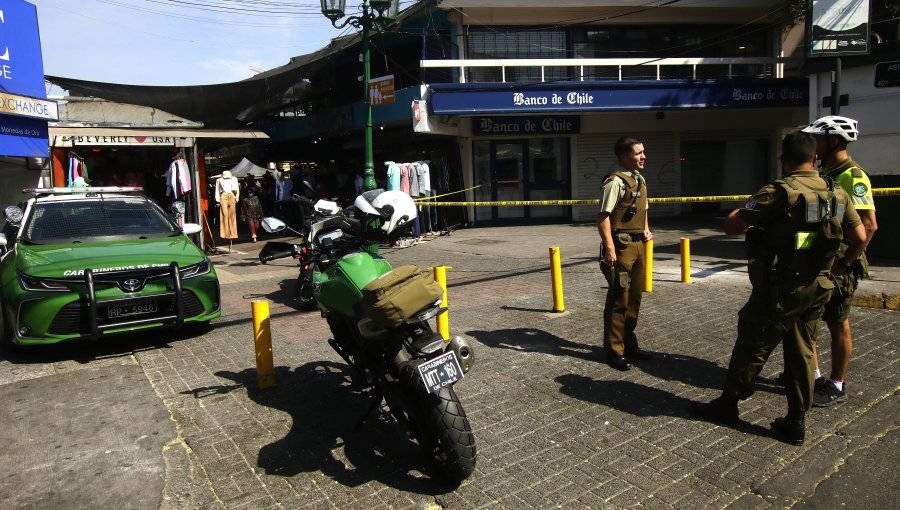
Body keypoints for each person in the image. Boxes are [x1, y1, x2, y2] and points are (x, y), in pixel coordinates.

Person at [691, 132, 866, 446]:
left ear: (783, 161)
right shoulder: (836, 191)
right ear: (814, 159)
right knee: (801, 350)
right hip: (819, 285)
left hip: (781, 288)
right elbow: (860, 235)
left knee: (752, 342)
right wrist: (843, 265)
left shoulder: (780, 191)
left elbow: (733, 225)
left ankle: (729, 403)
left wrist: (739, 212)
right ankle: (796, 421)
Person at [801, 116, 879, 407]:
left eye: (818, 139)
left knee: (837, 321)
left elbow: (869, 226)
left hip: (839, 264)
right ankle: (814, 376)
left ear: (834, 141)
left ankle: (836, 382)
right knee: (807, 318)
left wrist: (846, 262)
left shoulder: (853, 176)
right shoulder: (824, 172)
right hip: (819, 260)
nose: (814, 145)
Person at [596, 136, 654, 371]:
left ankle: (629, 344)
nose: (643, 156)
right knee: (619, 299)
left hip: (638, 244)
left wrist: (647, 229)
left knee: (635, 298)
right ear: (623, 157)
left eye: (643, 152)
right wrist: (609, 248)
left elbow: (644, 209)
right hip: (621, 247)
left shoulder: (639, 179)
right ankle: (614, 350)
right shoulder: (615, 182)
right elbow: (603, 217)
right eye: (638, 153)